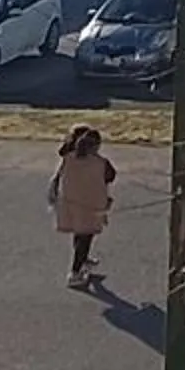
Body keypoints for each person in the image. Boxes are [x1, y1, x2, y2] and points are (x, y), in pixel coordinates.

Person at [49, 123, 116, 288]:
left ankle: (83, 261)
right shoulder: (101, 162)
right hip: (91, 206)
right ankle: (75, 271)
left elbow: (59, 177)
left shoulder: (67, 158)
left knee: (79, 234)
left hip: (71, 203)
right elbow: (110, 177)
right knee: (85, 237)